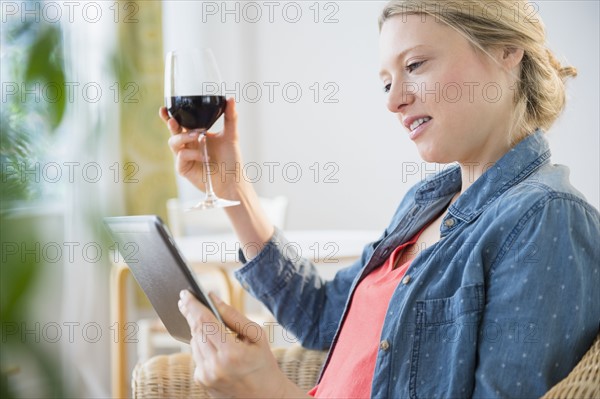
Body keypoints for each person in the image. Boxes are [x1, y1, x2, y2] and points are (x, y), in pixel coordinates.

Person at [159, 0, 600, 397]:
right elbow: (321, 317)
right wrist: (233, 189)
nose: (394, 101)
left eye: (416, 65)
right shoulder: (426, 204)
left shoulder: (545, 218)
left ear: (506, 49)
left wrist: (269, 392)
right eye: (386, 82)